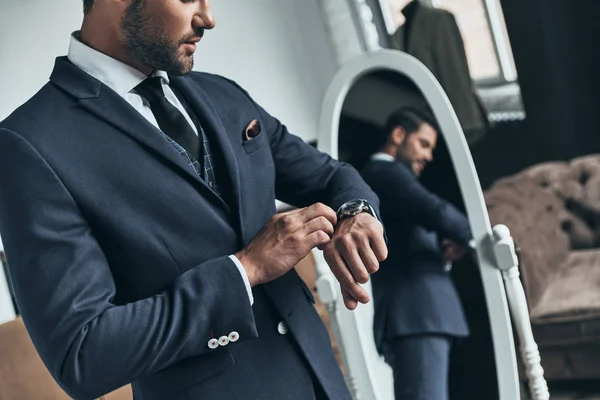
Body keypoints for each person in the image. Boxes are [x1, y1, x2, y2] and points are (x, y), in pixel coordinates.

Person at [0, 1, 387, 399]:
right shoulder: (29, 145)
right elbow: (81, 354)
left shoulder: (222, 94)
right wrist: (244, 270)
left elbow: (332, 176)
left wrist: (356, 213)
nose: (208, 18)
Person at [361, 107, 472, 400]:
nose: (428, 156)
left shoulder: (389, 178)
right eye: (423, 144)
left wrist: (443, 246)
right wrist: (476, 233)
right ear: (398, 135)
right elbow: (434, 211)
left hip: (421, 314)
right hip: (417, 314)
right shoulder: (383, 173)